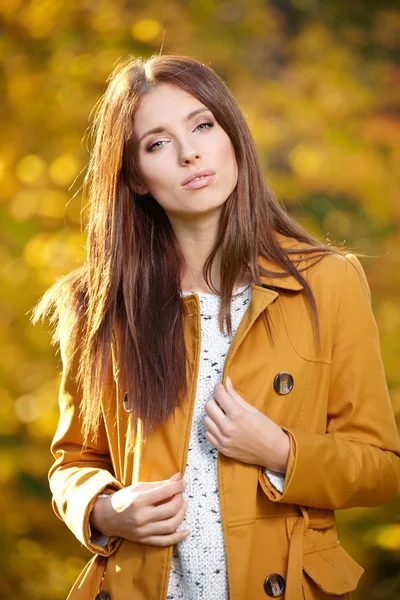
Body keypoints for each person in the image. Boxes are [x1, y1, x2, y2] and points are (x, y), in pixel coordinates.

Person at [31, 54, 400, 600]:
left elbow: (381, 468)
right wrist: (106, 510)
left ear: (232, 134)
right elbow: (75, 461)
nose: (190, 153)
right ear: (134, 176)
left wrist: (280, 451)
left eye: (202, 124)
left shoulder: (329, 282)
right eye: (157, 144)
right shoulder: (98, 302)